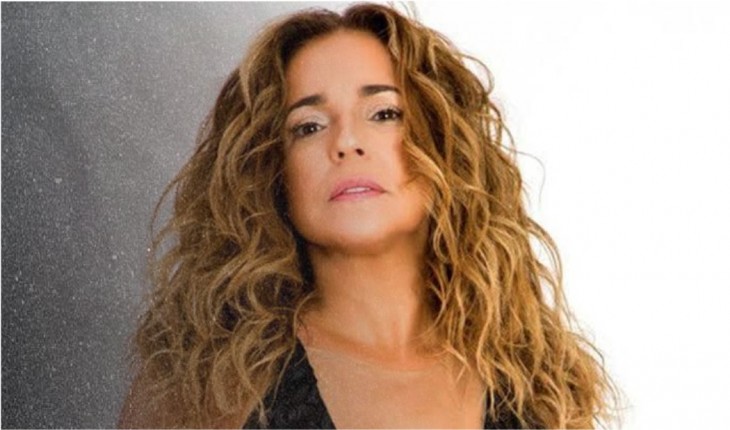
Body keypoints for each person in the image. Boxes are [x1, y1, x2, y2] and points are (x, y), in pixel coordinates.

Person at [119, 3, 619, 429]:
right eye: (309, 126)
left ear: (444, 144)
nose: (346, 141)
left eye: (383, 114)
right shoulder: (213, 383)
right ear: (272, 171)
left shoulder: (536, 386)